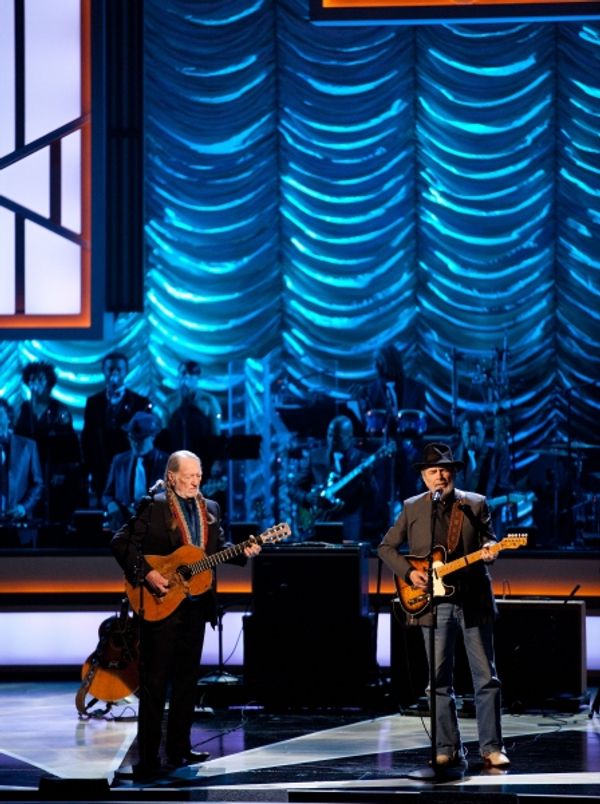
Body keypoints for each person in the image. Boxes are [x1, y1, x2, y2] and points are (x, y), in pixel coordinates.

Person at [110, 449, 261, 782]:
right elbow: (121, 543)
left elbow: (216, 550)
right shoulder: (154, 506)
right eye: (189, 475)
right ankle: (148, 759)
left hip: (196, 603)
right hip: (161, 602)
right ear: (172, 477)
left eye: (199, 475)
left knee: (186, 682)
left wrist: (243, 552)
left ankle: (179, 747)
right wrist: (147, 573)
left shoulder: (212, 509)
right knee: (154, 684)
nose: (196, 481)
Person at [377, 442, 510, 769]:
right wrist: (409, 573)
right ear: (424, 476)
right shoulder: (412, 508)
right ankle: (447, 746)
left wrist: (492, 549)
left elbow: (489, 540)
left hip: (473, 598)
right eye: (434, 471)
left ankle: (491, 747)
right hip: (433, 604)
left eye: (446, 470)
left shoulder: (474, 504)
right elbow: (386, 548)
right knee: (437, 679)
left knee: (485, 677)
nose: (441, 476)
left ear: (453, 472)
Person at [289, 415, 382, 542]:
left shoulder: (362, 460)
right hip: (318, 523)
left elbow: (374, 498)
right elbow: (293, 488)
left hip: (349, 528)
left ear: (350, 437)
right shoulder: (315, 456)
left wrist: (369, 478)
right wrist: (308, 498)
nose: (332, 440)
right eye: (329, 435)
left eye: (337, 437)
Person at [14, 361, 83, 524]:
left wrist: (61, 471)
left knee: (54, 512)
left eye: (40, 380)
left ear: (49, 383)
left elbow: (69, 445)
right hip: (28, 470)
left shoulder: (60, 410)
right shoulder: (23, 409)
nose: (35, 384)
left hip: (52, 468)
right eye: (32, 380)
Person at [82, 352, 152, 505]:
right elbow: (87, 439)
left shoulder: (140, 403)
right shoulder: (93, 402)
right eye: (110, 369)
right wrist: (89, 469)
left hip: (128, 469)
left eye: (119, 369)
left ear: (126, 371)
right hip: (100, 469)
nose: (114, 373)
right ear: (103, 371)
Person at [102, 412, 169, 532]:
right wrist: (111, 504)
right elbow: (107, 494)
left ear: (153, 436)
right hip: (124, 526)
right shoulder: (120, 461)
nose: (136, 444)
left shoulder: (166, 462)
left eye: (141, 439)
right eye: (132, 438)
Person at [158, 360, 222, 479]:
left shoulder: (208, 402)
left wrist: (216, 462)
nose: (186, 377)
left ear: (197, 377)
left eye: (190, 374)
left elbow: (216, 435)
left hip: (202, 461)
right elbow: (164, 437)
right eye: (183, 373)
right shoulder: (170, 402)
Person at [453, 413, 512, 535]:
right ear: (462, 433)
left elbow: (504, 489)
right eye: (469, 434)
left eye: (477, 434)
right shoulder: (451, 459)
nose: (473, 439)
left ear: (484, 433)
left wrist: (494, 504)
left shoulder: (496, 458)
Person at [0, 398, 44, 524]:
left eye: (0, 414)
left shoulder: (27, 446)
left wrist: (24, 506)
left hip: (18, 521)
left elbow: (38, 483)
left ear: (8, 418)